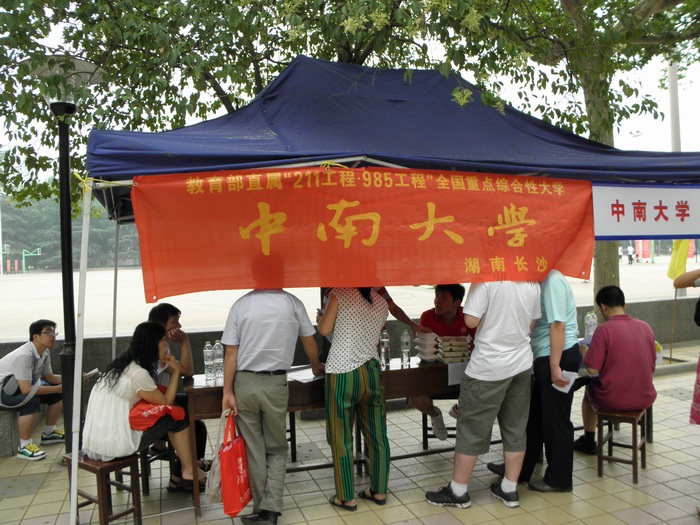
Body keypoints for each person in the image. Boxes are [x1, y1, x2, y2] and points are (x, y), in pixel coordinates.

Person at [425, 280, 541, 509]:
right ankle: (509, 488)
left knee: (471, 428)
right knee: (515, 428)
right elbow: (531, 324)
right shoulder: (531, 281)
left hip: (488, 367)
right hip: (521, 364)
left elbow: (470, 320)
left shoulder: (486, 279)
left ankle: (458, 491)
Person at [222, 289, 323, 525]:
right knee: (276, 449)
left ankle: (261, 510)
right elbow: (309, 341)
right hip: (276, 384)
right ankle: (271, 510)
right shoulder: (293, 303)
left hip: (244, 383)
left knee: (253, 449)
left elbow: (231, 353)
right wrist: (315, 364)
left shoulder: (241, 304)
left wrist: (227, 392)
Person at [82, 322, 205, 491]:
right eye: (163, 341)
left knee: (181, 405)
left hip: (98, 439)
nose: (167, 345)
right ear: (152, 344)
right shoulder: (138, 373)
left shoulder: (122, 365)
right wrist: (176, 371)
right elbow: (166, 402)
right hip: (117, 442)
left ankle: (187, 468)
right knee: (177, 416)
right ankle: (188, 470)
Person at [488, 270, 579, 492]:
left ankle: (559, 479)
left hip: (557, 357)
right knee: (535, 419)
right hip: (546, 356)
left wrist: (555, 366)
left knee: (556, 420)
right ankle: (520, 470)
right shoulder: (540, 281)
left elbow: (558, 325)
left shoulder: (552, 282)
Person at [317, 287, 391, 512]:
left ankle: (345, 496)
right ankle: (379, 490)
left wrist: (322, 318)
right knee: (377, 434)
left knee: (340, 437)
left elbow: (324, 329)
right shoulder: (381, 302)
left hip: (342, 373)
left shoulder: (339, 294)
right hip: (370, 370)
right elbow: (375, 332)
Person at [573, 285, 657, 454]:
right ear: (624, 306)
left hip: (612, 400)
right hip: (644, 397)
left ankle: (589, 439)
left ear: (603, 307)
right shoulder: (645, 327)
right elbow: (652, 364)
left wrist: (584, 351)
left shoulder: (603, 330)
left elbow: (592, 369)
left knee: (589, 391)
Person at [147, 303, 210, 485]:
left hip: (160, 403)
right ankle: (182, 475)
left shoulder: (160, 348)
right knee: (192, 423)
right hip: (152, 410)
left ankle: (186, 469)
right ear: (161, 325)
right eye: (175, 322)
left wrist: (184, 341)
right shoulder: (153, 351)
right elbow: (187, 372)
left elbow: (187, 371)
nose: (179, 326)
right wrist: (183, 342)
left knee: (193, 413)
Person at [413, 284, 475, 440]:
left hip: (462, 372)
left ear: (456, 303)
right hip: (434, 373)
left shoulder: (468, 317)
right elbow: (425, 346)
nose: (437, 301)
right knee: (414, 394)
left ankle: (460, 409)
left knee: (487, 384)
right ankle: (435, 414)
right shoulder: (427, 317)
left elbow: (479, 342)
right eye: (437, 296)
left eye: (443, 298)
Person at [0, 319, 64, 460]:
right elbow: (26, 390)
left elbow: (49, 377)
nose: (53, 336)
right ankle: (24, 446)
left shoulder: (44, 352)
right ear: (36, 336)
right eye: (48, 332)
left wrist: (73, 378)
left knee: (56, 395)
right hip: (3, 391)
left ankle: (49, 433)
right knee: (31, 401)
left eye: (54, 332)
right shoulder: (24, 355)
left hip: (14, 388)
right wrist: (58, 388)